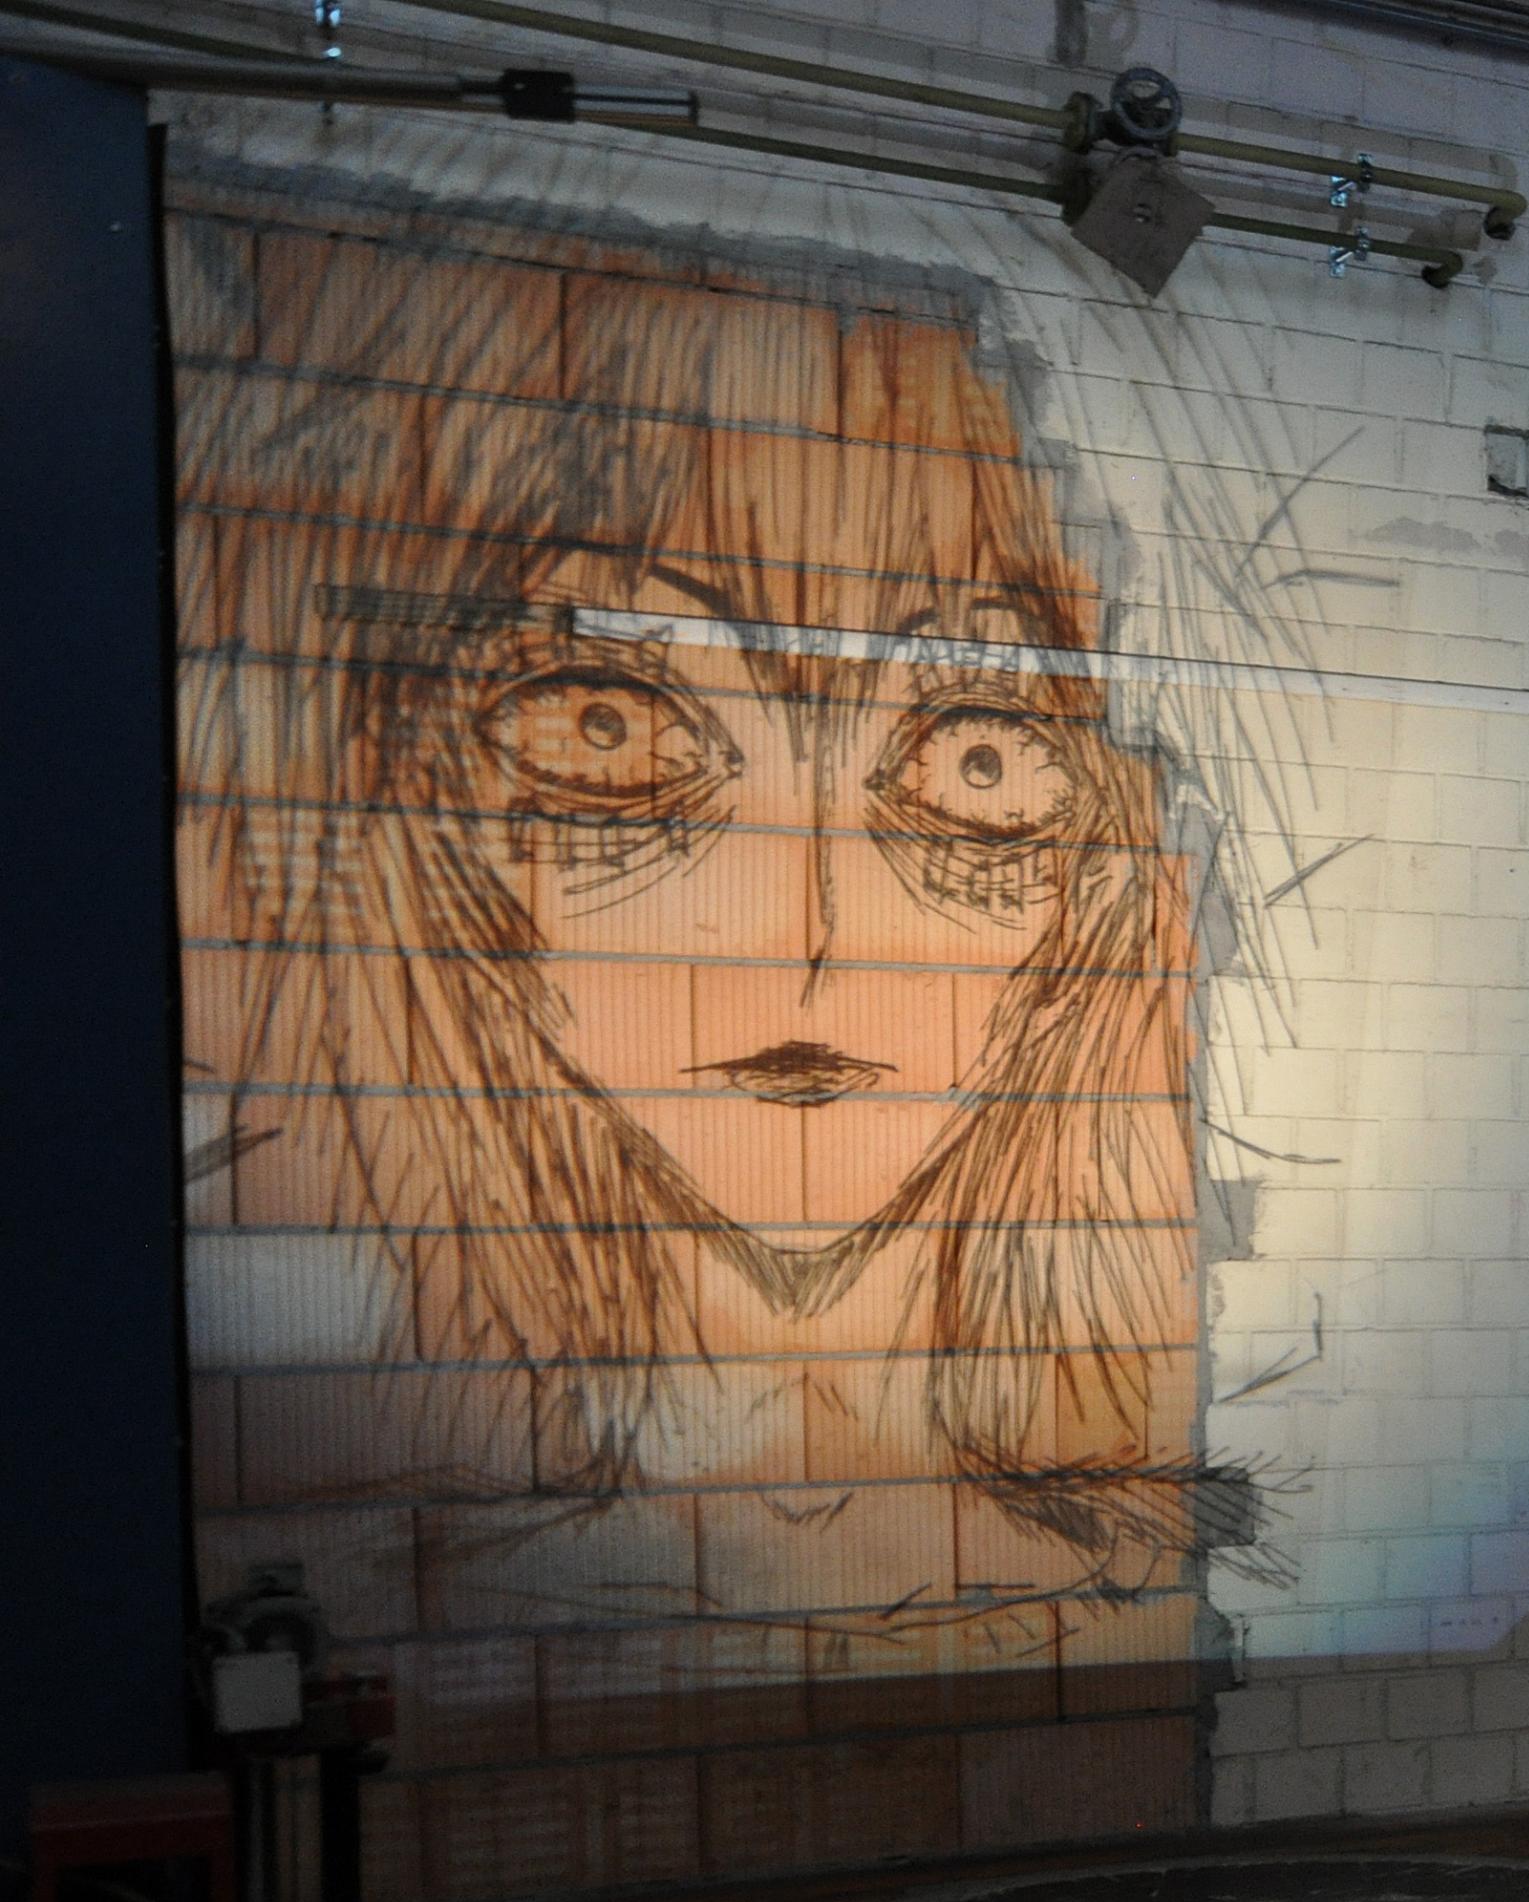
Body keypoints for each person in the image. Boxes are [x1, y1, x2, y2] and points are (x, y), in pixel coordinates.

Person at [179, 204, 1236, 1711]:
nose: (810, 932)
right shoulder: (389, 1599)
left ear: (1098, 869)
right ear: (428, 814)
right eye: (608, 730)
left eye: (977, 760)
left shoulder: (1154, 1584)